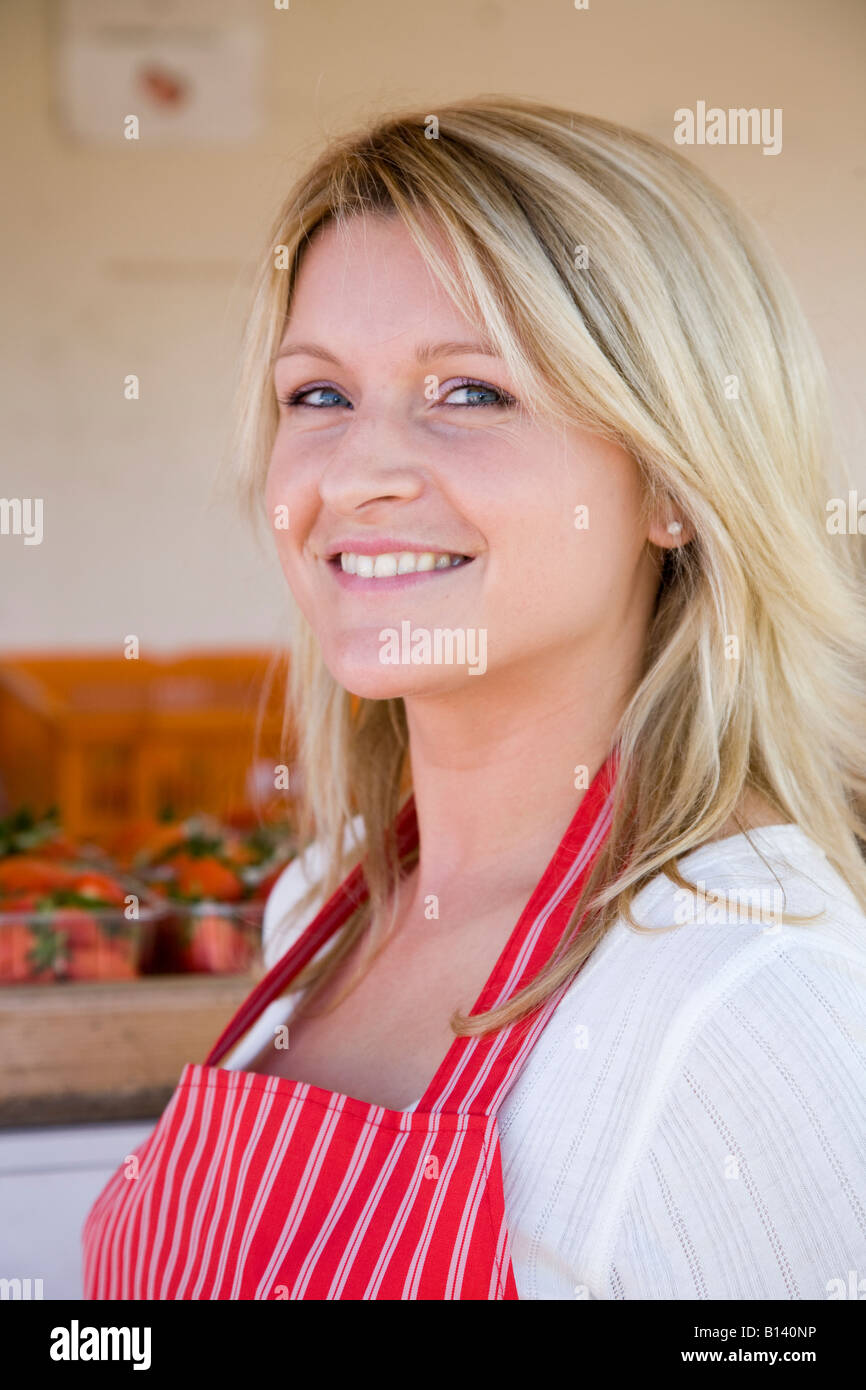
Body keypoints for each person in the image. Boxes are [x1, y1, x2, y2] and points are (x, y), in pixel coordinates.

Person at [83, 96, 866, 1300]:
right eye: (317, 395)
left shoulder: (744, 995)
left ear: (673, 485)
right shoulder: (320, 908)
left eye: (469, 393)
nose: (355, 472)